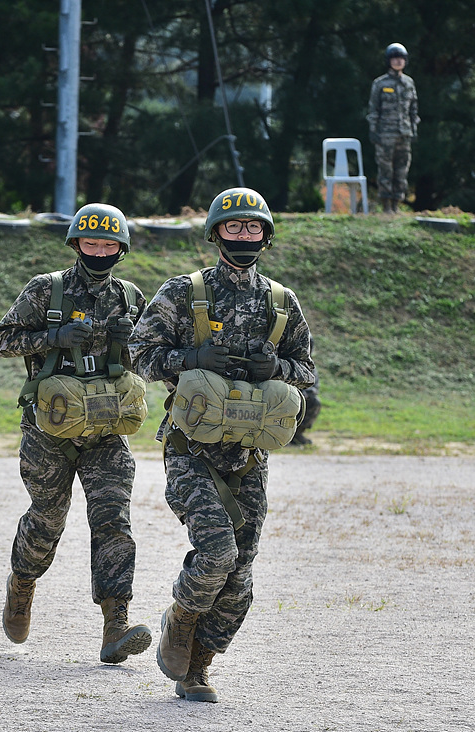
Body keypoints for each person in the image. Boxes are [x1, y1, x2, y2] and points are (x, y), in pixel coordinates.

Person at [131, 187, 315, 702]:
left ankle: (198, 668)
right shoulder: (182, 294)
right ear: (215, 234)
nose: (243, 236)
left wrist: (276, 368)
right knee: (216, 554)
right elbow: (138, 355)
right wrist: (190, 359)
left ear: (266, 236)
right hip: (192, 453)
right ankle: (181, 618)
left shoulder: (281, 303)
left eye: (252, 228)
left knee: (240, 581)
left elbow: (308, 370)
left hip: (249, 458)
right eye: (233, 227)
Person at [0, 203, 153, 665]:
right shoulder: (46, 289)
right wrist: (53, 337)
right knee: (48, 520)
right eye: (91, 242)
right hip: (50, 434)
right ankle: (22, 584)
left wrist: (131, 340)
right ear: (76, 243)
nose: (99, 251)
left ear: (120, 248)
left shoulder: (130, 297)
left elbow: (149, 357)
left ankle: (115, 623)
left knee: (113, 522)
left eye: (108, 244)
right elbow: (0, 340)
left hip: (106, 432)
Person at [367, 42, 419, 213]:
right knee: (385, 170)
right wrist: (374, 130)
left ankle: (397, 204)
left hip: (404, 134)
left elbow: (413, 109)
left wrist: (413, 128)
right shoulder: (380, 84)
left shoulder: (409, 83)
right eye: (394, 59)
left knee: (401, 170)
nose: (398, 62)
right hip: (385, 135)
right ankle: (386, 206)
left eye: (401, 59)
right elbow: (373, 109)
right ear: (388, 61)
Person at [289, 375, 321, 446]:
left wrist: (304, 394)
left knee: (314, 402)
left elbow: (314, 386)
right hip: (286, 394)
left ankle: (297, 434)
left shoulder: (311, 367)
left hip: (303, 396)